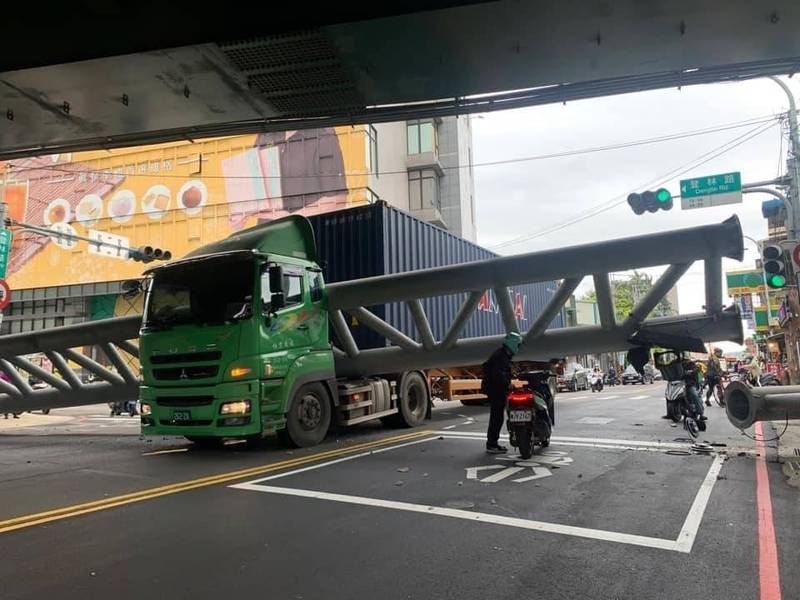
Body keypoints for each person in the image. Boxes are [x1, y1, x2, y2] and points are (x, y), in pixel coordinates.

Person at [481, 332, 523, 454]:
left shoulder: (503, 354)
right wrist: (508, 384)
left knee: (497, 417)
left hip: (496, 389)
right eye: (518, 345)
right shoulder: (501, 356)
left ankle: (493, 443)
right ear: (513, 344)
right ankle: (492, 444)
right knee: (496, 418)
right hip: (496, 390)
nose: (518, 348)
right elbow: (498, 375)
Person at [681, 356, 706, 421]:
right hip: (679, 384)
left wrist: (690, 372)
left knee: (694, 395)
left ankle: (700, 413)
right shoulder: (676, 364)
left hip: (690, 384)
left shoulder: (691, 364)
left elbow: (696, 370)